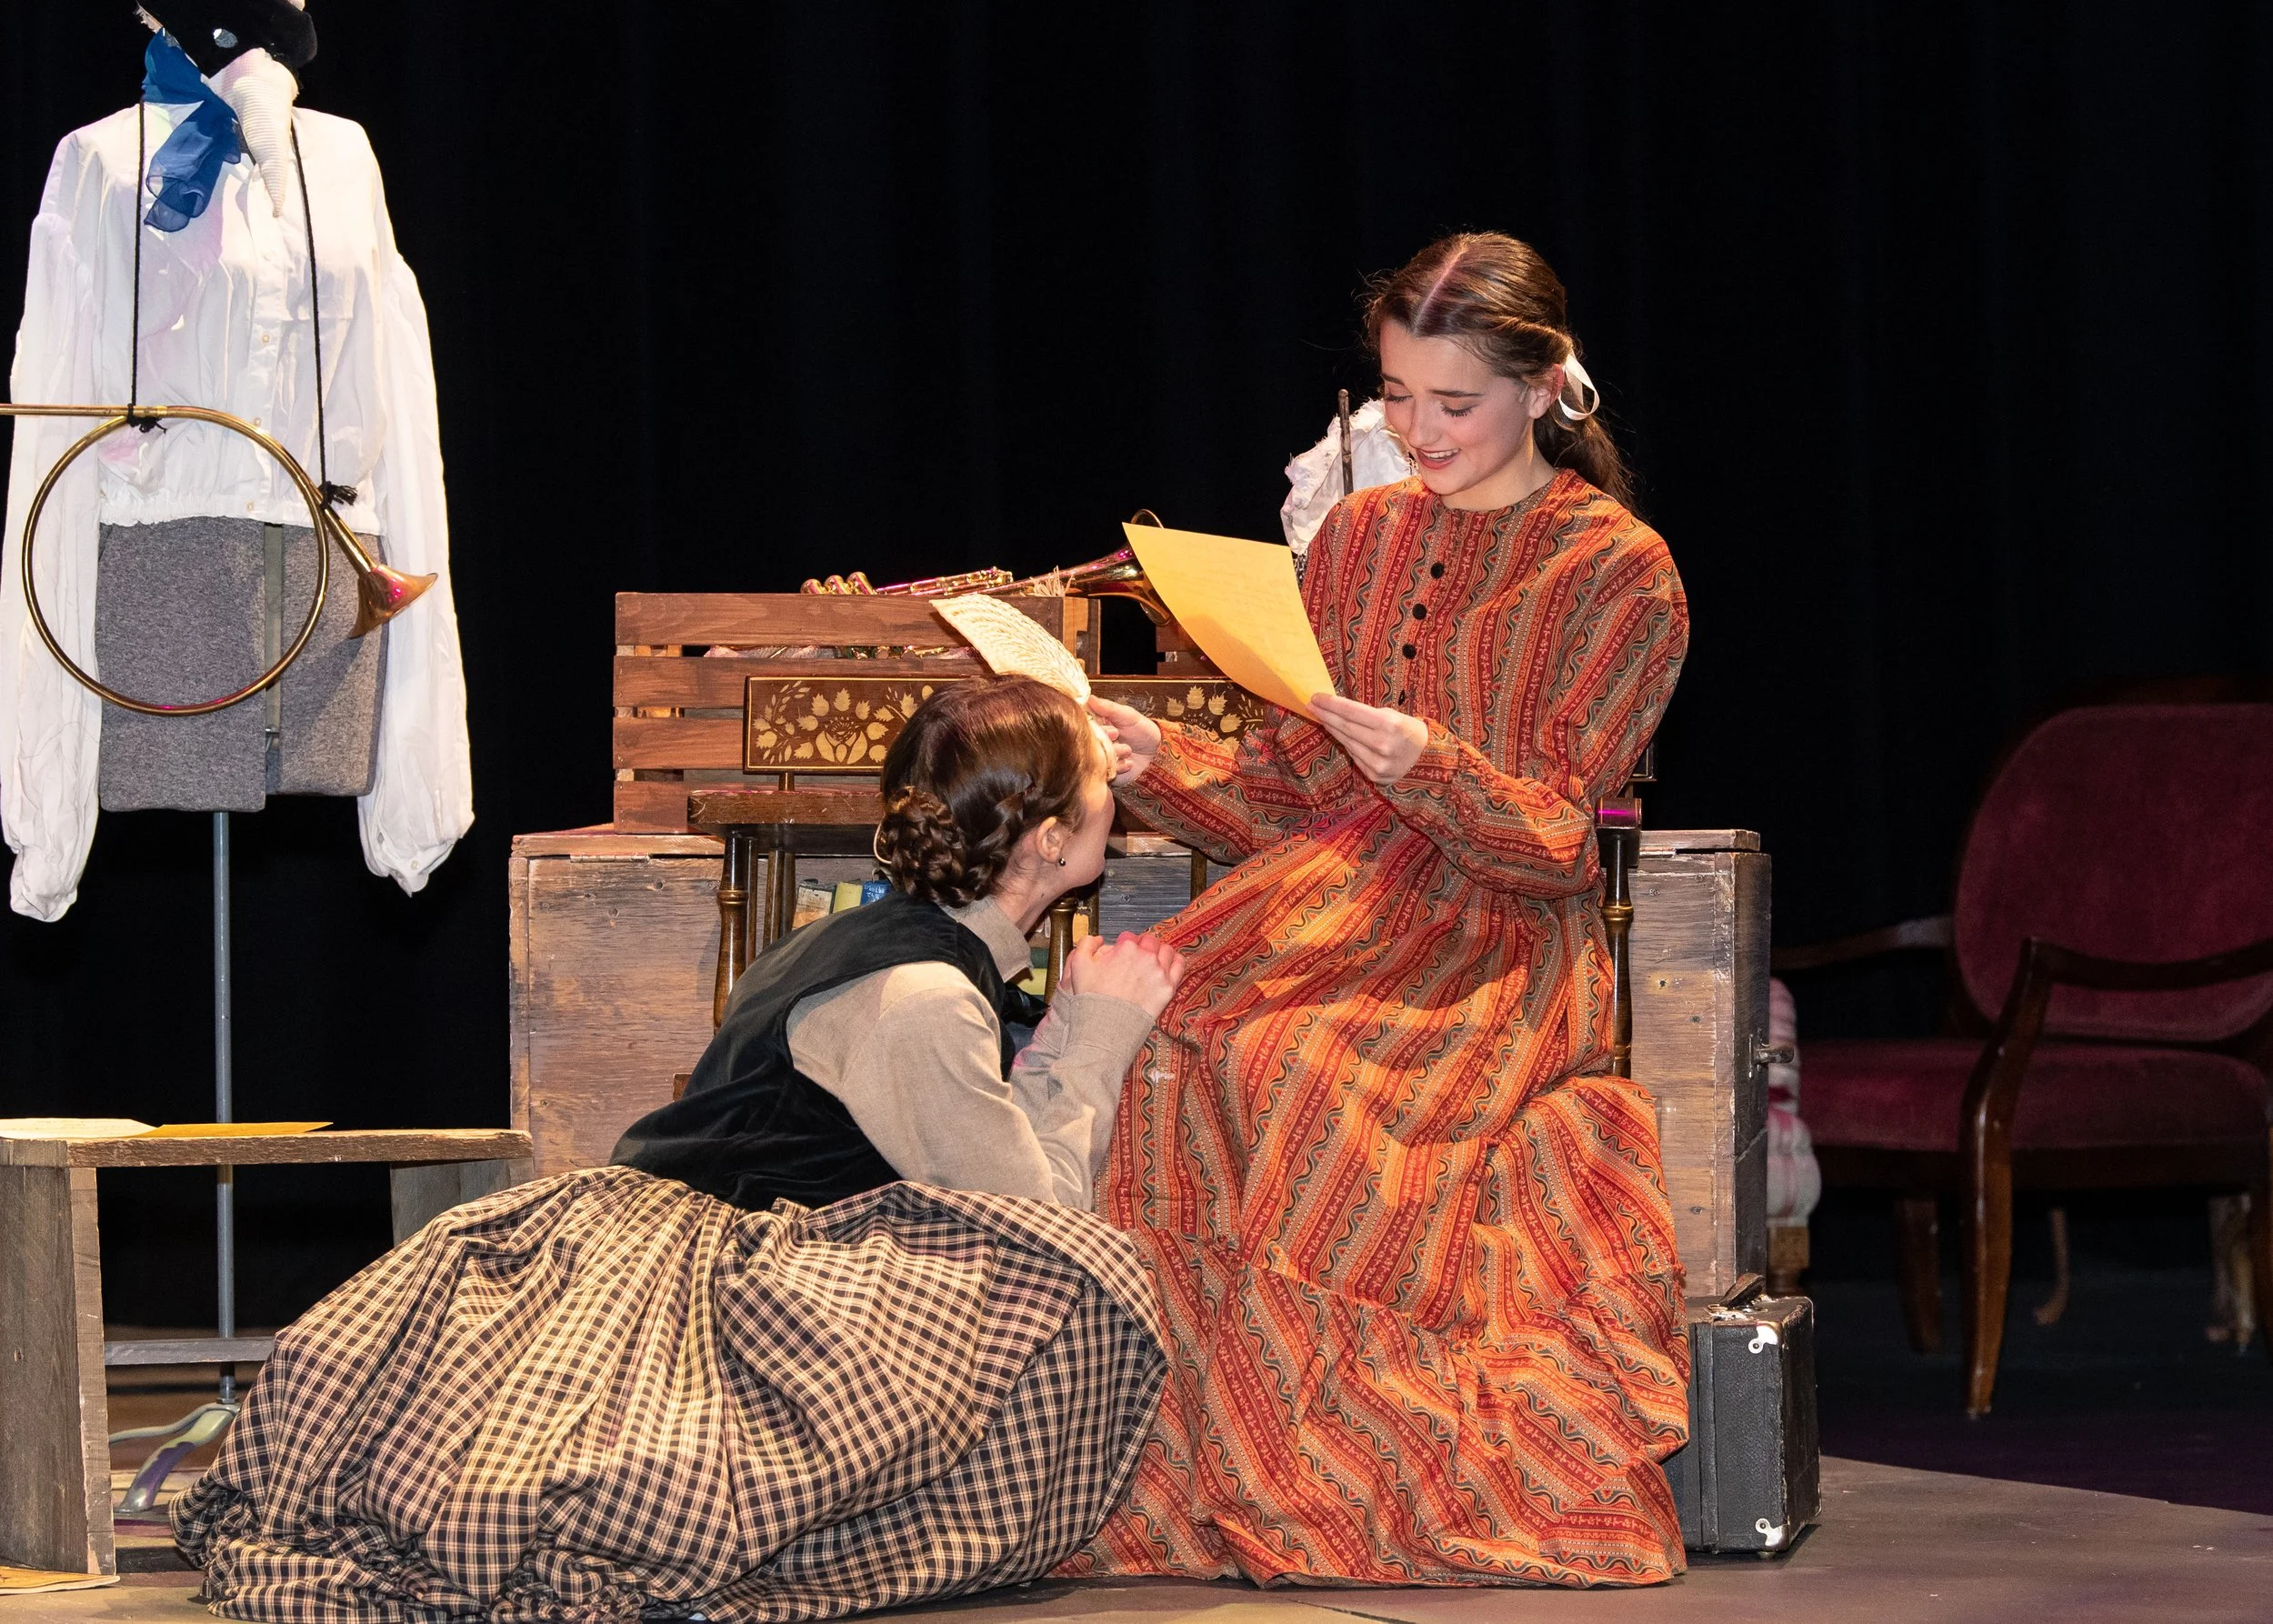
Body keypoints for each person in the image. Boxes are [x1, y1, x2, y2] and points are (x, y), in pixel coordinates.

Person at [172, 675, 1183, 1622]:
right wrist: (1098, 1033)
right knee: (1095, 1288)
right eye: (1099, 781)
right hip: (703, 1300)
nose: (1117, 791)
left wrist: (1052, 1047)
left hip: (635, 1244)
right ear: (1048, 842)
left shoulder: (858, 943)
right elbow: (1048, 1236)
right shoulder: (918, 998)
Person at [1077, 232, 1694, 1588]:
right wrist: (1155, 759)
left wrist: (1437, 767)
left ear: (1545, 389)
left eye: (1452, 402)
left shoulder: (1618, 570)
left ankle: (1336, 1478)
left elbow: (1558, 842)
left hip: (1495, 934)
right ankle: (1183, 1470)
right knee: (1157, 1031)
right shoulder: (1357, 535)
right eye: (1396, 398)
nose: (1417, 431)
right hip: (1334, 892)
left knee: (1300, 1075)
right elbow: (1296, 786)